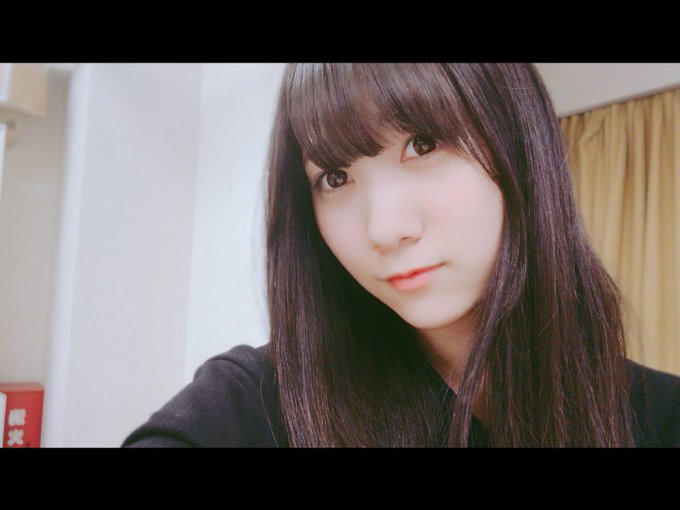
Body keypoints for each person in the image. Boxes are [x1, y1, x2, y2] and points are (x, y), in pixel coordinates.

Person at [122, 63, 680, 448]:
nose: (384, 230)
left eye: (423, 145)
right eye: (334, 177)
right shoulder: (256, 404)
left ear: (518, 142)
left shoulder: (660, 418)